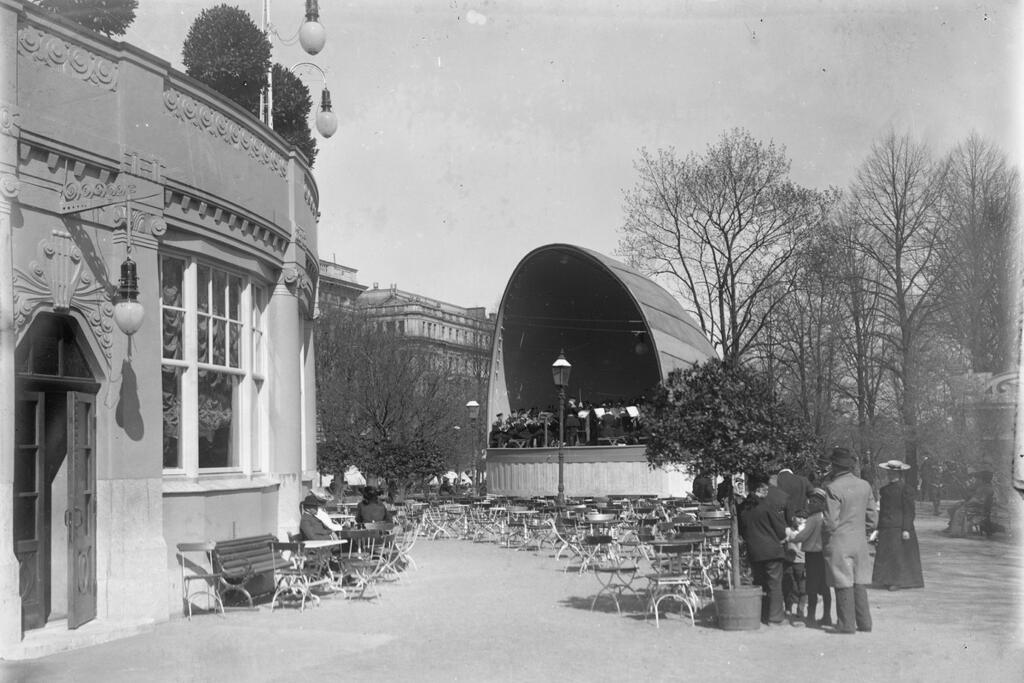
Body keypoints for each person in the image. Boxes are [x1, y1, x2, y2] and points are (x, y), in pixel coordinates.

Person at [822, 447, 876, 634]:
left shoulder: (833, 488)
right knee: (859, 580)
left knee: (842, 580)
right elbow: (872, 518)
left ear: (835, 466)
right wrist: (864, 531)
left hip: (839, 541)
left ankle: (846, 624)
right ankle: (865, 623)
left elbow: (830, 522)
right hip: (859, 540)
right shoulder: (865, 485)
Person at [739, 475, 789, 626]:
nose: (768, 493)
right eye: (766, 490)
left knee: (760, 582)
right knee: (774, 584)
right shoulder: (767, 506)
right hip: (771, 550)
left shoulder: (742, 508)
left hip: (754, 550)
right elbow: (781, 530)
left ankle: (762, 614)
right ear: (759, 490)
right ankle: (775, 617)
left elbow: (741, 530)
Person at [871, 460, 924, 590]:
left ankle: (897, 581)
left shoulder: (906, 490)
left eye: (894, 473)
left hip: (900, 527)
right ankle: (885, 580)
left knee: (897, 555)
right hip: (886, 526)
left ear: (899, 474)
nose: (891, 475)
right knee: (887, 554)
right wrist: (878, 528)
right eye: (889, 472)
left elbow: (909, 511)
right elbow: (882, 511)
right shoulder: (884, 490)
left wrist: (906, 529)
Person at [787, 488, 832, 628]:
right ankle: (827, 616)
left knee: (811, 587)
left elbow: (803, 536)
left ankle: (811, 617)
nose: (809, 504)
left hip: (813, 555)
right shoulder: (826, 516)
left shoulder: (813, 518)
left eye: (812, 502)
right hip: (825, 555)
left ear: (817, 502)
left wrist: (790, 536)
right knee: (825, 587)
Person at [782, 509, 808, 622]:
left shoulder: (807, 531)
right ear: (793, 518)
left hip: (802, 563)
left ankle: (800, 610)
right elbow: (782, 541)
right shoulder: (787, 530)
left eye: (803, 517)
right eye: (798, 517)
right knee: (788, 586)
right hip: (789, 562)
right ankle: (788, 608)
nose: (801, 519)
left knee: (802, 587)